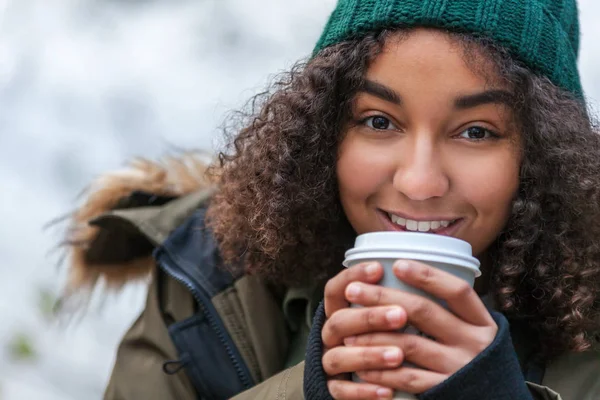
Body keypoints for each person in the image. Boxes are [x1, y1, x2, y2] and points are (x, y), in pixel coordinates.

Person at [59, 0, 600, 399]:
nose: (419, 182)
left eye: (476, 131)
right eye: (378, 120)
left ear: (544, 154)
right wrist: (320, 386)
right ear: (321, 132)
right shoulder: (212, 269)